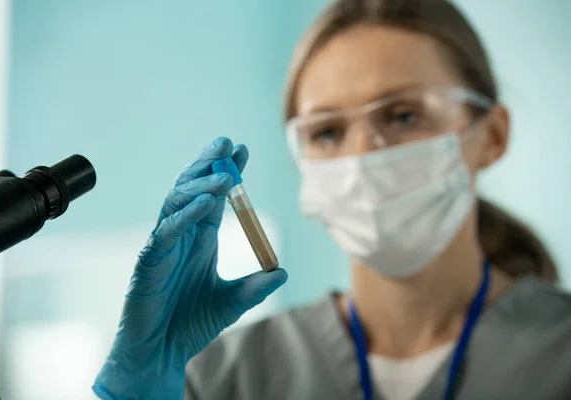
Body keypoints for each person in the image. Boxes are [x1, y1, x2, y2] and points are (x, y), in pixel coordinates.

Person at [92, 0, 571, 399]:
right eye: (327, 131)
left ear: (492, 135)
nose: (361, 155)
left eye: (403, 116)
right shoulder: (223, 377)